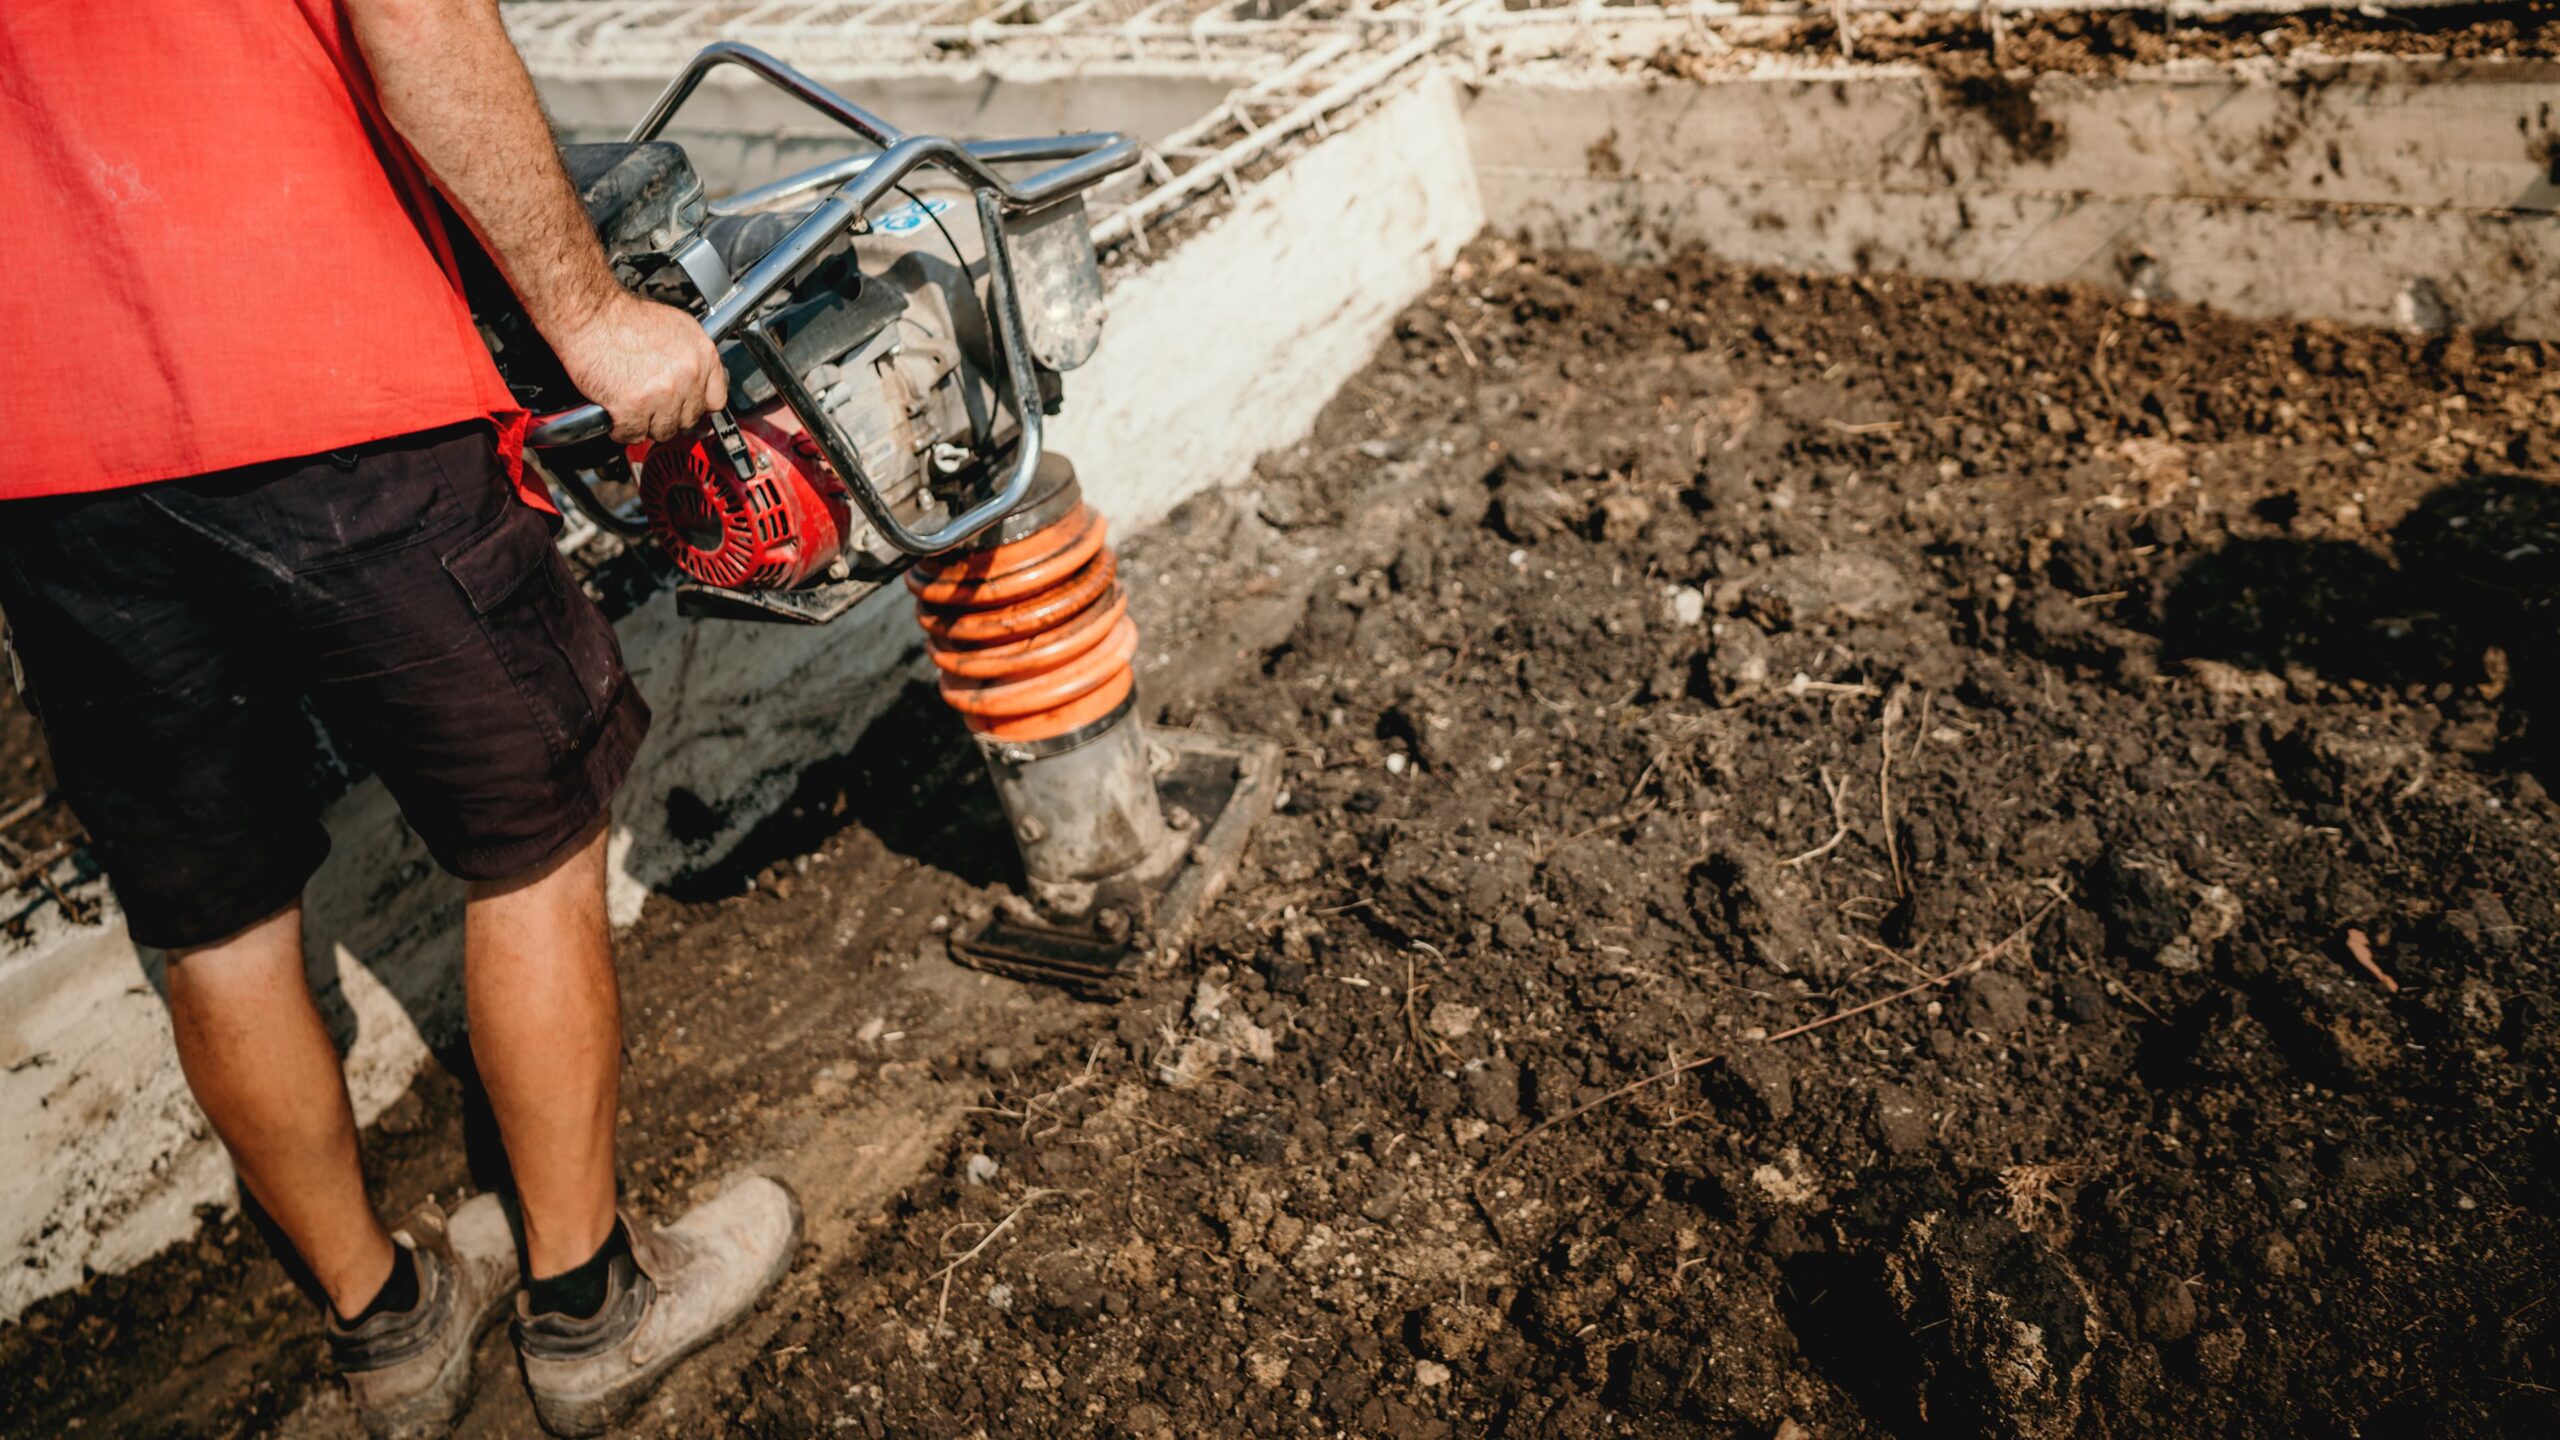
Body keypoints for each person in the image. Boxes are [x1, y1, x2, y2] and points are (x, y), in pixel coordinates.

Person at [0, 3, 797, 1435]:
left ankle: (387, 1334)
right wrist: (592, 317)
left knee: (213, 914)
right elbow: (419, 25)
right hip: (319, 364)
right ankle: (590, 1305)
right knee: (531, 832)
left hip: (43, 454)